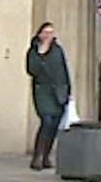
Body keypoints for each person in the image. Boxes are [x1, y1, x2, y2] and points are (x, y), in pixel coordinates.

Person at [26, 22, 71, 171]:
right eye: (45, 32)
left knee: (54, 124)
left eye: (51, 33)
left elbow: (64, 71)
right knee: (46, 121)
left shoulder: (58, 51)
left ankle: (46, 156)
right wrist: (40, 54)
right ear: (39, 34)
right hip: (42, 91)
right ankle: (37, 157)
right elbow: (32, 70)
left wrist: (68, 91)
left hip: (58, 92)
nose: (48, 36)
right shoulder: (33, 51)